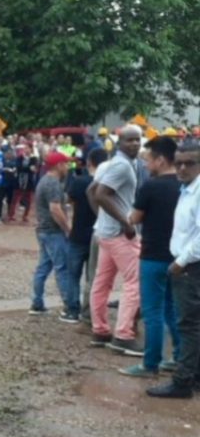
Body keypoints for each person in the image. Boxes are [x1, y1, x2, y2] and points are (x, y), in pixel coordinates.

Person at [119, 136, 183, 377]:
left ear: (160, 159)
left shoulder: (151, 186)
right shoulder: (186, 185)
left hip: (153, 254)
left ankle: (150, 363)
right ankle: (178, 356)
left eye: (148, 160)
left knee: (152, 311)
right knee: (172, 308)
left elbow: (134, 218)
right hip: (178, 256)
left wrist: (127, 215)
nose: (146, 165)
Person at [147, 139, 200, 398]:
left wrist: (180, 262)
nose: (182, 168)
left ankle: (183, 381)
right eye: (178, 163)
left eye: (189, 163)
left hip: (191, 266)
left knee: (188, 324)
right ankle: (193, 376)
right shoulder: (187, 188)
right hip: (187, 264)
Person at [88, 125, 144, 356]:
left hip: (106, 233)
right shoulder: (121, 165)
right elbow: (99, 194)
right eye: (129, 140)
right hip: (119, 234)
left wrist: (102, 220)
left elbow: (92, 192)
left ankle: (100, 330)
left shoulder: (114, 164)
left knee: (102, 282)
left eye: (137, 140)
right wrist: (125, 222)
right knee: (135, 281)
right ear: (119, 142)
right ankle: (123, 335)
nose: (134, 144)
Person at [29, 152, 77, 320]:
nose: (68, 167)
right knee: (62, 268)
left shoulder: (44, 180)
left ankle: (36, 302)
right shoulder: (53, 183)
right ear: (58, 165)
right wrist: (68, 228)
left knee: (43, 267)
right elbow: (55, 209)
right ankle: (69, 306)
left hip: (43, 229)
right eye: (66, 163)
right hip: (53, 231)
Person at [68, 148, 107, 326]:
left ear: (89, 162)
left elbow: (71, 202)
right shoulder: (107, 183)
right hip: (98, 233)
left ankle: (72, 310)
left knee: (73, 275)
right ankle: (89, 311)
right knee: (94, 277)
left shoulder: (78, 182)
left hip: (78, 232)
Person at [9, 147, 38, 223]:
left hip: (29, 181)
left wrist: (25, 168)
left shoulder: (34, 158)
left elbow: (34, 169)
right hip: (19, 180)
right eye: (25, 148)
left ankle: (25, 216)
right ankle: (12, 215)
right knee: (15, 199)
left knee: (29, 200)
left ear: (31, 149)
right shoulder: (20, 157)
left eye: (28, 148)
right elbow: (19, 167)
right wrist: (28, 168)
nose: (26, 150)